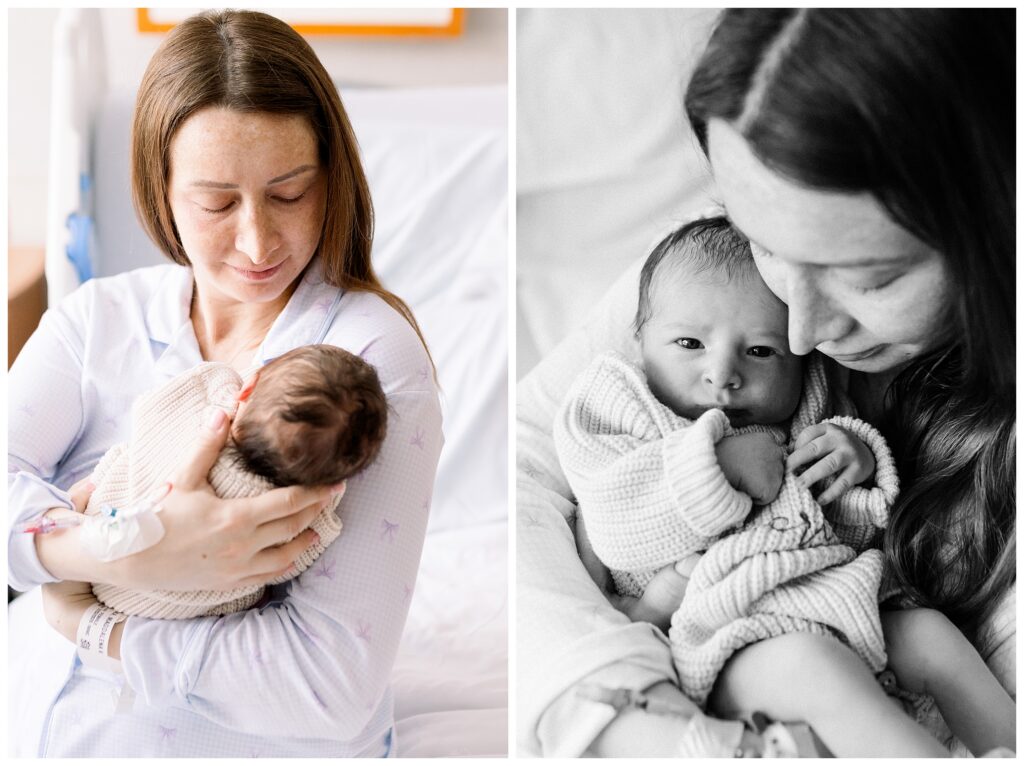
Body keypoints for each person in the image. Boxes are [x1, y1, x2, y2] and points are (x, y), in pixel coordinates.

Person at [516, 8, 1013, 757]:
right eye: (766, 246)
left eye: (869, 278)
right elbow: (523, 472)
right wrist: (628, 715)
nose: (800, 332)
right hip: (728, 634)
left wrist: (857, 458)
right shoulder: (704, 281)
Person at [8, 9, 442, 757]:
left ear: (330, 178)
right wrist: (112, 554)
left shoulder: (363, 364)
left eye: (289, 193)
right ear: (162, 189)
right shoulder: (98, 320)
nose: (257, 242)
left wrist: (91, 621)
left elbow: (326, 686)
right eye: (216, 203)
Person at [555, 217, 1013, 756]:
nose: (722, 373)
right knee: (812, 667)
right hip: (724, 642)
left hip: (842, 607)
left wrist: (857, 462)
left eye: (760, 351)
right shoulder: (619, 405)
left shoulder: (807, 409)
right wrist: (715, 467)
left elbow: (851, 531)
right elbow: (615, 526)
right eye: (688, 343)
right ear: (638, 339)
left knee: (931, 634)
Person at [79, 344, 387, 619]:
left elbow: (150, 408)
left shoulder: (207, 408)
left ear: (247, 388)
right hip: (137, 613)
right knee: (250, 588)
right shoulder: (296, 512)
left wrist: (236, 387)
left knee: (127, 460)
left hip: (91, 534)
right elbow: (297, 558)